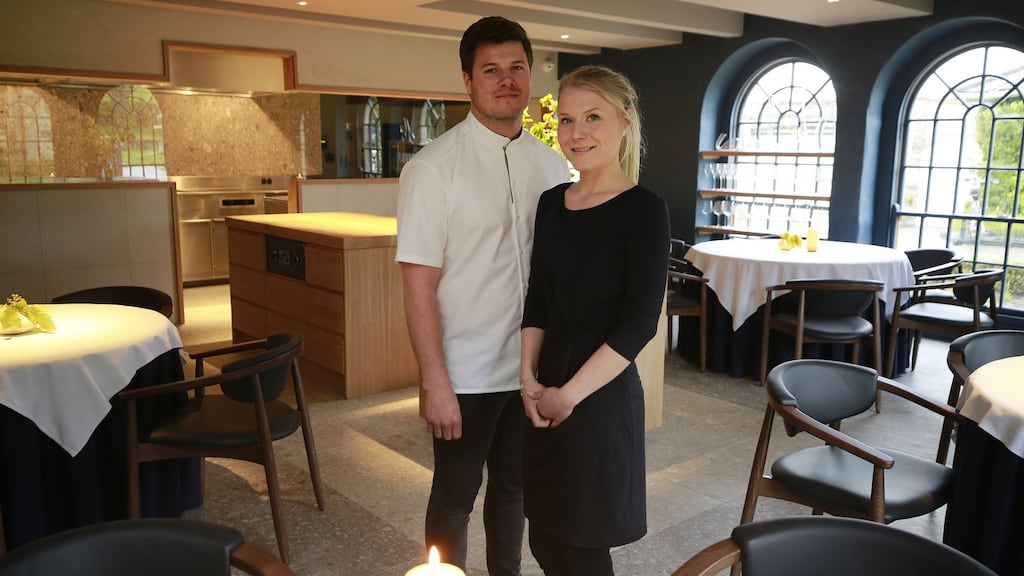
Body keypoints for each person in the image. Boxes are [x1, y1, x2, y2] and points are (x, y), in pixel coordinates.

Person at [395, 15, 568, 576]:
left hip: (529, 370)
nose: (506, 80)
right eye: (490, 70)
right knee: (454, 496)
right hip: (465, 373)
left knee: (514, 491)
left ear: (531, 76)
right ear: (468, 81)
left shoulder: (553, 166)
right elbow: (418, 284)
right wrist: (434, 381)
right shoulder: (432, 169)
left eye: (517, 67)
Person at [520, 65, 669, 576]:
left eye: (592, 117)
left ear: (625, 121)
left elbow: (639, 324)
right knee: (544, 539)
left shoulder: (644, 210)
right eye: (566, 119)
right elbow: (538, 299)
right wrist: (528, 379)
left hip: (599, 396)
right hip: (545, 386)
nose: (576, 133)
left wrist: (568, 395)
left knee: (582, 547)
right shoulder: (551, 203)